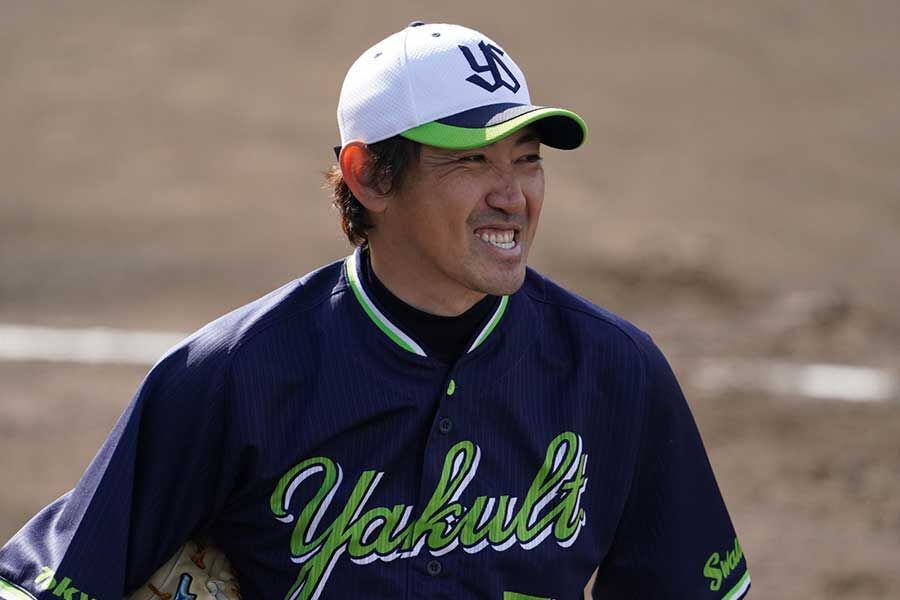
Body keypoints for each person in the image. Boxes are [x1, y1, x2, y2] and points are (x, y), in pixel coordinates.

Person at [0, 22, 750, 600]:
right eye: (472, 159)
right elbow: (46, 579)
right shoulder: (234, 375)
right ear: (369, 176)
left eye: (527, 160)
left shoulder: (616, 373)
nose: (513, 195)